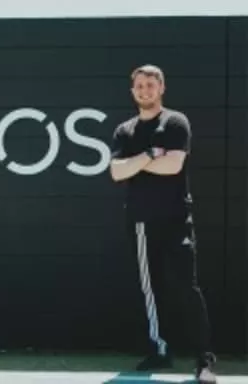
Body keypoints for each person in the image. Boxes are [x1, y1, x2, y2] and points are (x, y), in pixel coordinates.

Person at [109, 65, 217, 384]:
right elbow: (116, 171)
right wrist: (149, 154)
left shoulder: (175, 122)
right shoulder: (124, 130)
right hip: (141, 222)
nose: (145, 90)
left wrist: (136, 163)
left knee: (187, 288)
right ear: (133, 91)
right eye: (140, 85)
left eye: (151, 85)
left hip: (176, 220)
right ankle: (160, 350)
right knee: (151, 291)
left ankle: (204, 359)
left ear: (162, 88)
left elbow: (173, 165)